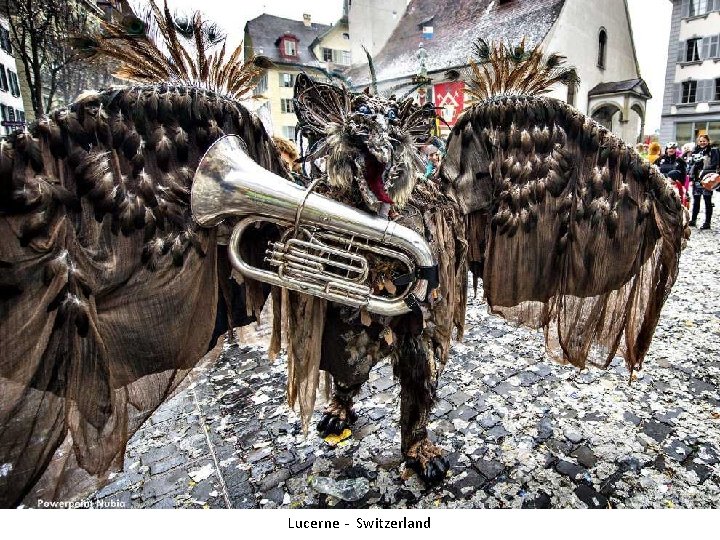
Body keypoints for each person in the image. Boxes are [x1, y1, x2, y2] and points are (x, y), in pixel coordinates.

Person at [688, 134, 720, 229]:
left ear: (708, 141)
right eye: (700, 141)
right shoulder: (695, 151)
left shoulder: (713, 151)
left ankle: (707, 222)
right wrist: (691, 177)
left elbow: (715, 164)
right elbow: (691, 165)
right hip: (697, 178)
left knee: (707, 200)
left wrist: (705, 170)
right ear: (698, 142)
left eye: (704, 141)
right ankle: (693, 220)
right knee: (696, 200)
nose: (702, 142)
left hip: (707, 179)